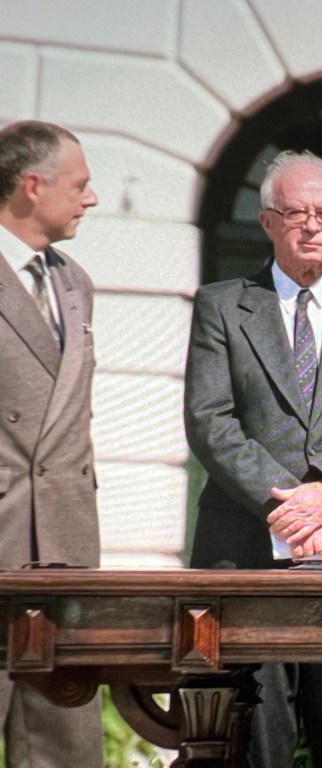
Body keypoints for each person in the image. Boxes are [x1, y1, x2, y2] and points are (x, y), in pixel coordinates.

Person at [184, 150, 322, 767]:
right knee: (253, 740)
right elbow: (209, 420)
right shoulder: (221, 305)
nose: (312, 226)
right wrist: (287, 506)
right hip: (243, 552)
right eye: (295, 213)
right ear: (268, 221)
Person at [0, 120, 102, 767]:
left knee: (62, 744)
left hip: (64, 542)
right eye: (79, 184)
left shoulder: (74, 282)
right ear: (32, 186)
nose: (90, 198)